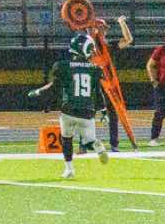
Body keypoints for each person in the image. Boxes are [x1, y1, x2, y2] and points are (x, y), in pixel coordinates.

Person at [29, 32, 110, 179]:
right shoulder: (95, 69)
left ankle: (69, 169)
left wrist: (38, 92)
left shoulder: (63, 66)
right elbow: (98, 93)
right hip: (87, 112)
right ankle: (96, 145)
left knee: (66, 139)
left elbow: (54, 87)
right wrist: (104, 111)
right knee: (89, 141)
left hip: (68, 111)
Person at [90, 14, 134, 151]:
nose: (105, 31)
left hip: (108, 83)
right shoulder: (89, 46)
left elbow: (128, 40)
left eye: (105, 29)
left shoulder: (108, 45)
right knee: (88, 113)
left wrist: (122, 23)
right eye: (102, 28)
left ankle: (114, 144)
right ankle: (84, 144)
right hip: (94, 84)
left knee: (113, 113)